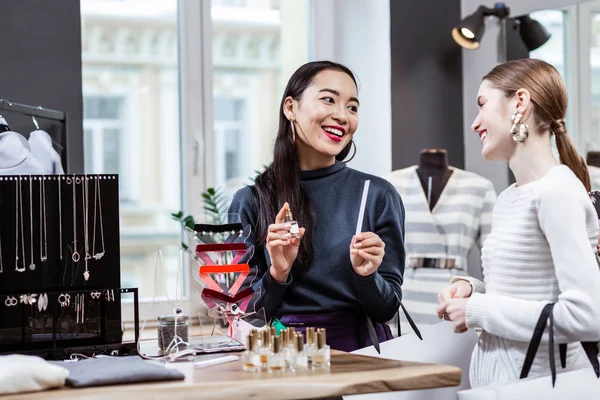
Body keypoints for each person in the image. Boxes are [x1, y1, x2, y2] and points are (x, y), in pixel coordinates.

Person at [436, 58, 600, 388]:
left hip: (540, 387)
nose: (475, 123)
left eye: (482, 104)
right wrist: (473, 290)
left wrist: (477, 309)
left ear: (520, 103)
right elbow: (529, 294)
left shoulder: (556, 191)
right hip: (503, 385)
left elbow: (586, 316)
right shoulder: (510, 197)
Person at [228, 61, 405, 352]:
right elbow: (242, 317)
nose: (342, 116)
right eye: (328, 99)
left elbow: (386, 309)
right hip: (281, 359)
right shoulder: (250, 201)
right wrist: (278, 275)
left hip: (362, 360)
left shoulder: (376, 195)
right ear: (291, 108)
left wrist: (367, 276)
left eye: (352, 107)